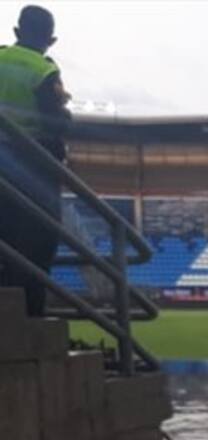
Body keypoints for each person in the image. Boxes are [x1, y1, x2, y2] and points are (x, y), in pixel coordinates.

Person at [0, 5, 71, 317]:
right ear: (51, 40)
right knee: (37, 244)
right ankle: (31, 316)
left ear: (16, 32)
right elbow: (55, 124)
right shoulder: (44, 70)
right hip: (31, 167)